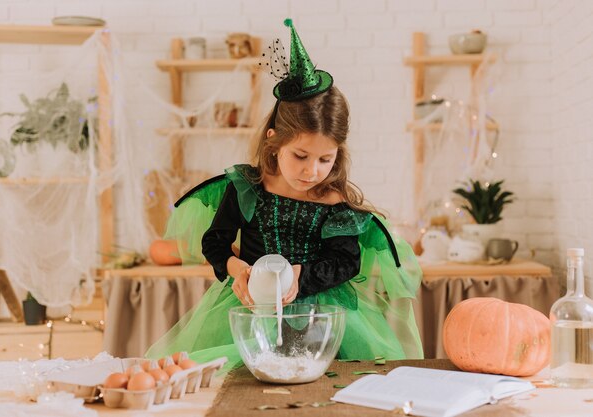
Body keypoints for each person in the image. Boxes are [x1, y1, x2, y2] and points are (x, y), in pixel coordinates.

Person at [146, 19, 423, 367]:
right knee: (241, 380)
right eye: (301, 156)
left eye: (326, 159)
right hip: (252, 310)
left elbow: (346, 262)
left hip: (323, 316)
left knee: (327, 381)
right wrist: (236, 269)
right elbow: (214, 242)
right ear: (274, 141)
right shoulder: (247, 189)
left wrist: (300, 275)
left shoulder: (336, 203)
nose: (312, 171)